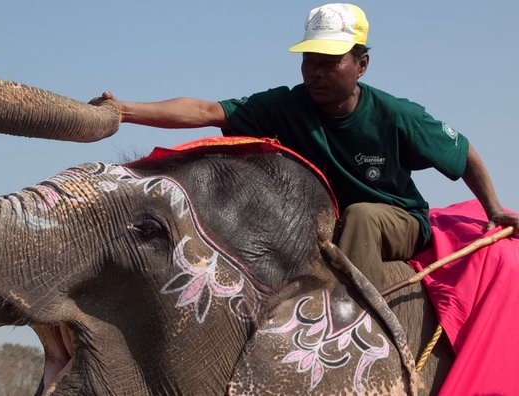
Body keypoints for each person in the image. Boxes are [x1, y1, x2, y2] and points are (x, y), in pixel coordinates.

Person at [100, 3, 519, 290]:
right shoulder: (288, 104)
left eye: (329, 62)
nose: (314, 73)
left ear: (361, 64)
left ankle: (354, 321)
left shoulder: (397, 115)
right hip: (321, 221)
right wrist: (125, 111)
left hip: (394, 218)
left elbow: (466, 154)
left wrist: (494, 210)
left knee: (362, 217)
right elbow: (208, 109)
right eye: (309, 60)